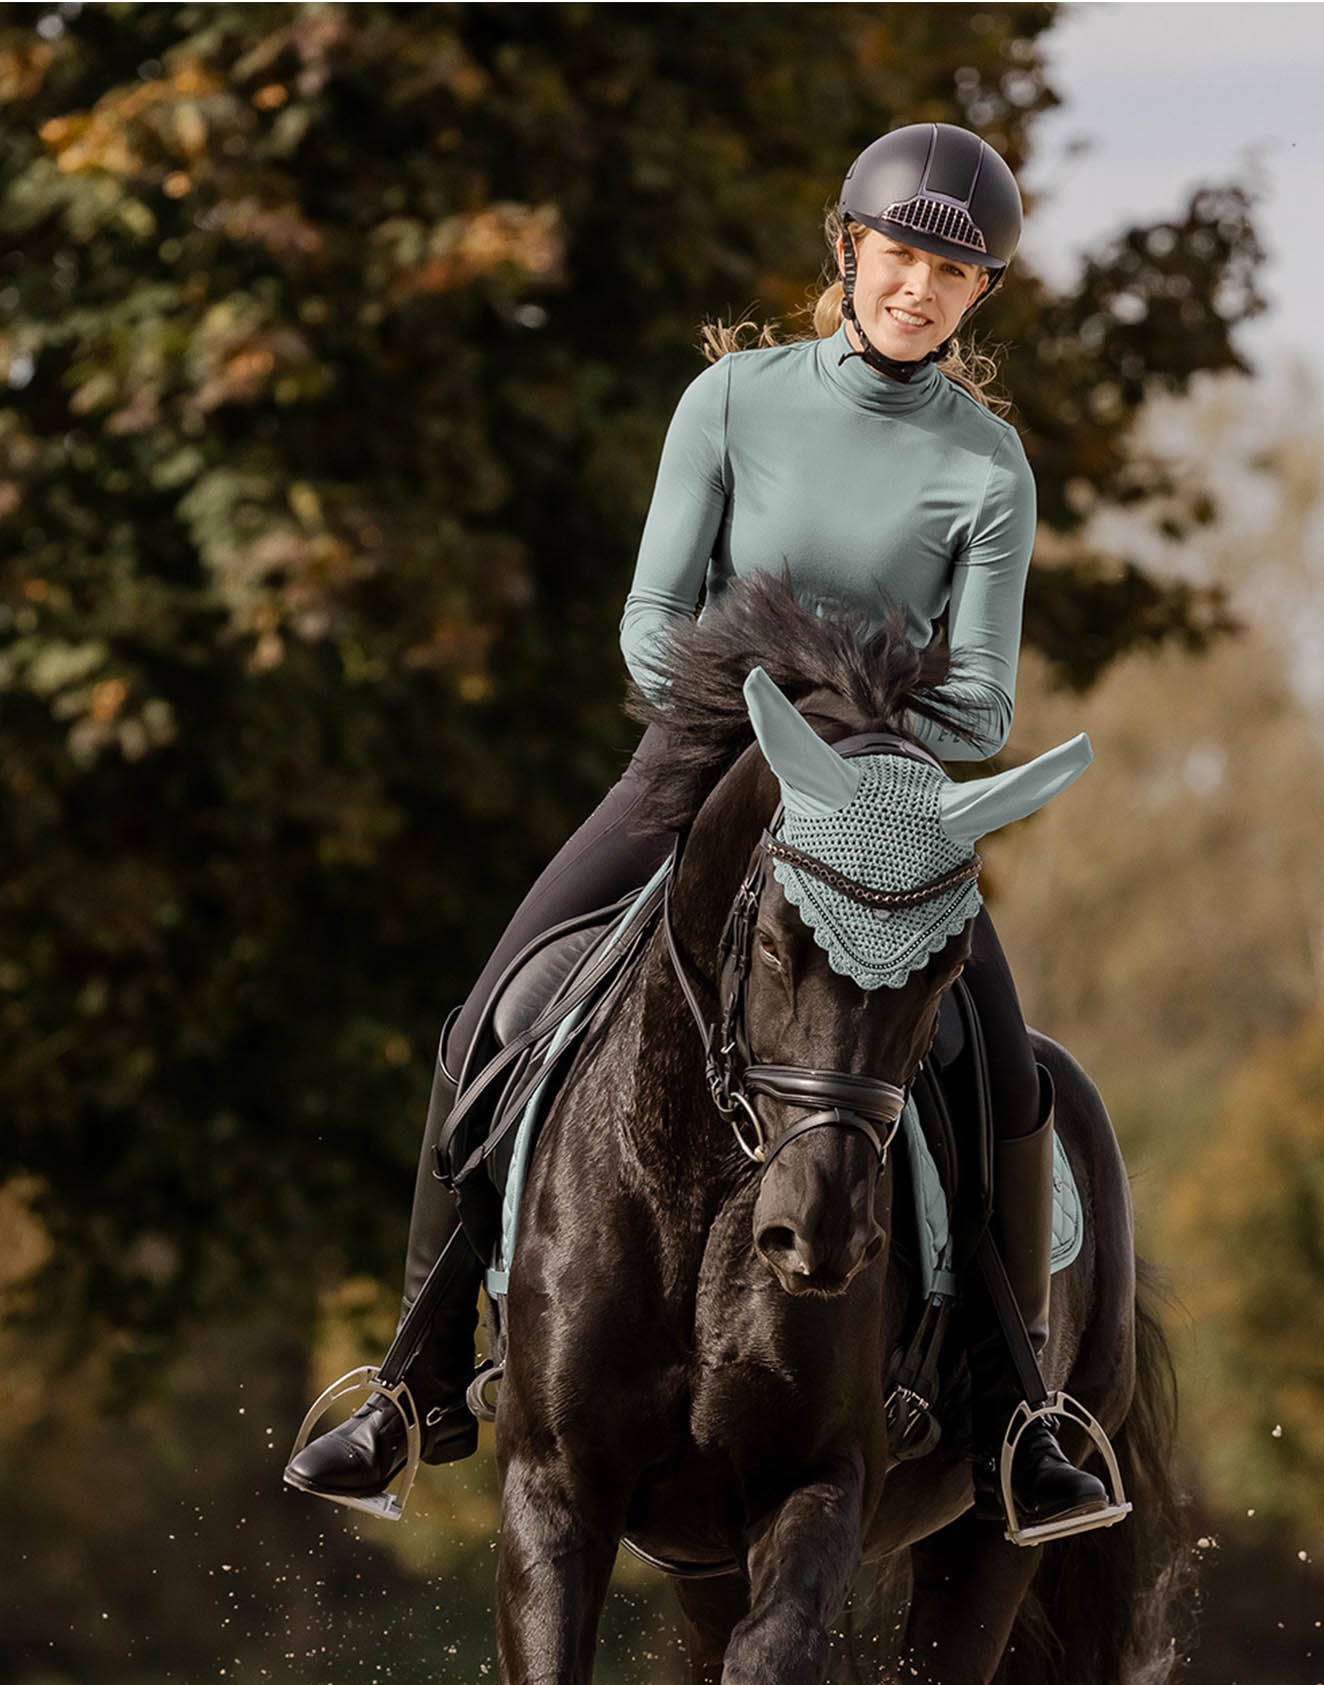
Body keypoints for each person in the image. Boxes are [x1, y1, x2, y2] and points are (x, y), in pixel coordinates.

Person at [286, 121, 1107, 1531]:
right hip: (699, 766)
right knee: (488, 1012)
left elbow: (979, 705)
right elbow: (653, 619)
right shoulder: (730, 401)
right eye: (902, 255)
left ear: (982, 299)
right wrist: (754, 703)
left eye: (953, 273)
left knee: (1010, 1076)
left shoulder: (991, 471)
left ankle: (1022, 1411)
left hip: (882, 807)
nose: (920, 287)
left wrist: (853, 726)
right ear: (848, 251)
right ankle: (413, 1385)